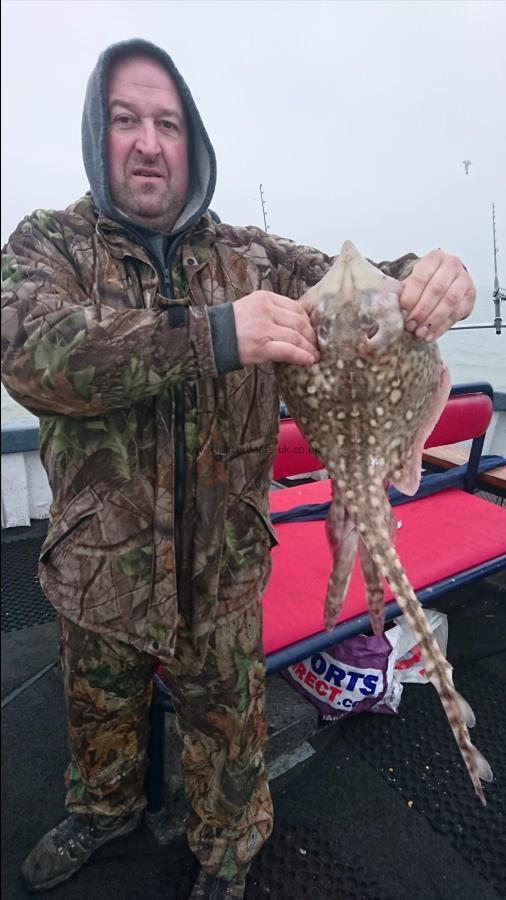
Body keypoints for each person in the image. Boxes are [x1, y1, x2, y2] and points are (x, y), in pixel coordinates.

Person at [1, 38, 475, 900]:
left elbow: (360, 286)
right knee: (98, 722)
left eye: (167, 123)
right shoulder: (50, 245)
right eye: (124, 120)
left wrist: (432, 280)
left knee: (230, 743)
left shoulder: (253, 258)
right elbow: (33, 352)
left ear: (194, 143)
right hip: (99, 570)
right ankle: (103, 812)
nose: (148, 141)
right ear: (96, 137)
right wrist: (218, 335)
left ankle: (229, 855)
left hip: (222, 569)